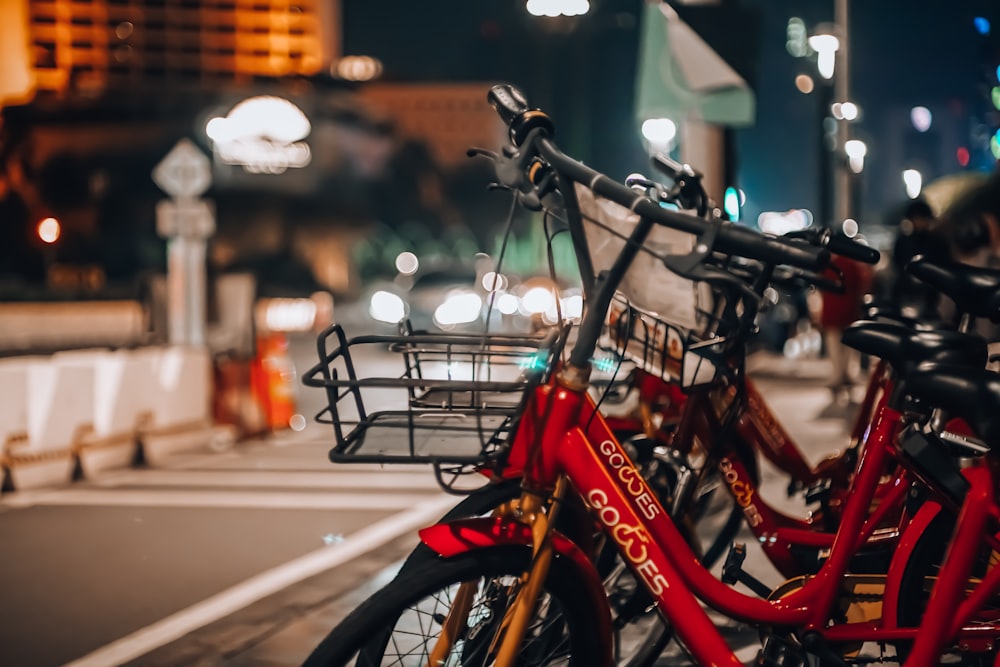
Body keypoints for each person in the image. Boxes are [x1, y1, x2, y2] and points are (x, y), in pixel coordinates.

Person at [819, 251, 873, 404]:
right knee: (849, 345)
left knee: (833, 343)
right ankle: (847, 373)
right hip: (849, 310)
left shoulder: (830, 264)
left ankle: (837, 374)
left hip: (831, 309)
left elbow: (821, 285)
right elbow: (863, 285)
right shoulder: (854, 265)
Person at [889, 198, 949, 320]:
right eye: (916, 218)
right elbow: (898, 266)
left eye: (921, 218)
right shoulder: (903, 241)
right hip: (906, 293)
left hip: (931, 297)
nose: (919, 222)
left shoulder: (937, 242)